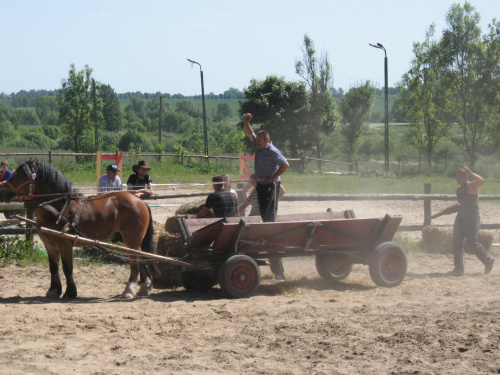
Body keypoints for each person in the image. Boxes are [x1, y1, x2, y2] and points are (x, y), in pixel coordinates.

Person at [243, 113, 289, 281]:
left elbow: (285, 165)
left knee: (269, 223)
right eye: (258, 141)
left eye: (260, 142)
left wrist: (272, 177)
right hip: (261, 186)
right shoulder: (259, 145)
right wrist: (246, 121)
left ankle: (278, 269)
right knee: (260, 217)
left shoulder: (272, 151)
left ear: (267, 141)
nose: (258, 143)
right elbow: (249, 133)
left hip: (271, 187)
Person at [431, 167, 495, 276]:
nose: (457, 179)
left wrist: (471, 172)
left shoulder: (472, 187)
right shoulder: (459, 190)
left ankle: (488, 260)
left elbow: (481, 181)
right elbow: (459, 206)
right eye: (457, 177)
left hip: (472, 219)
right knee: (457, 243)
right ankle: (458, 269)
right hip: (460, 219)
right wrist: (443, 212)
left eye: (460, 176)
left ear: (466, 177)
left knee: (473, 244)